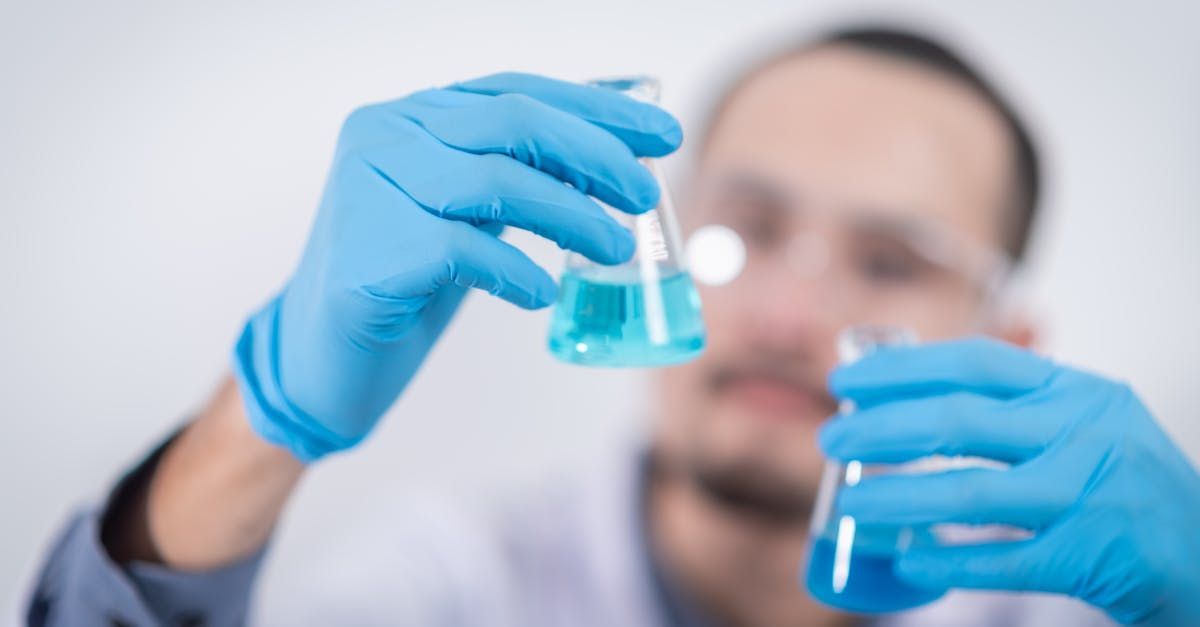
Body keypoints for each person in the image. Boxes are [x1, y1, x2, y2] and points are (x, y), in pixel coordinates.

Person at [26, 25, 1200, 627]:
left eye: (890, 262)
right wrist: (265, 415)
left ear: (1015, 345)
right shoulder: (455, 587)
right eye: (742, 229)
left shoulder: (1090, 611)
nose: (789, 315)